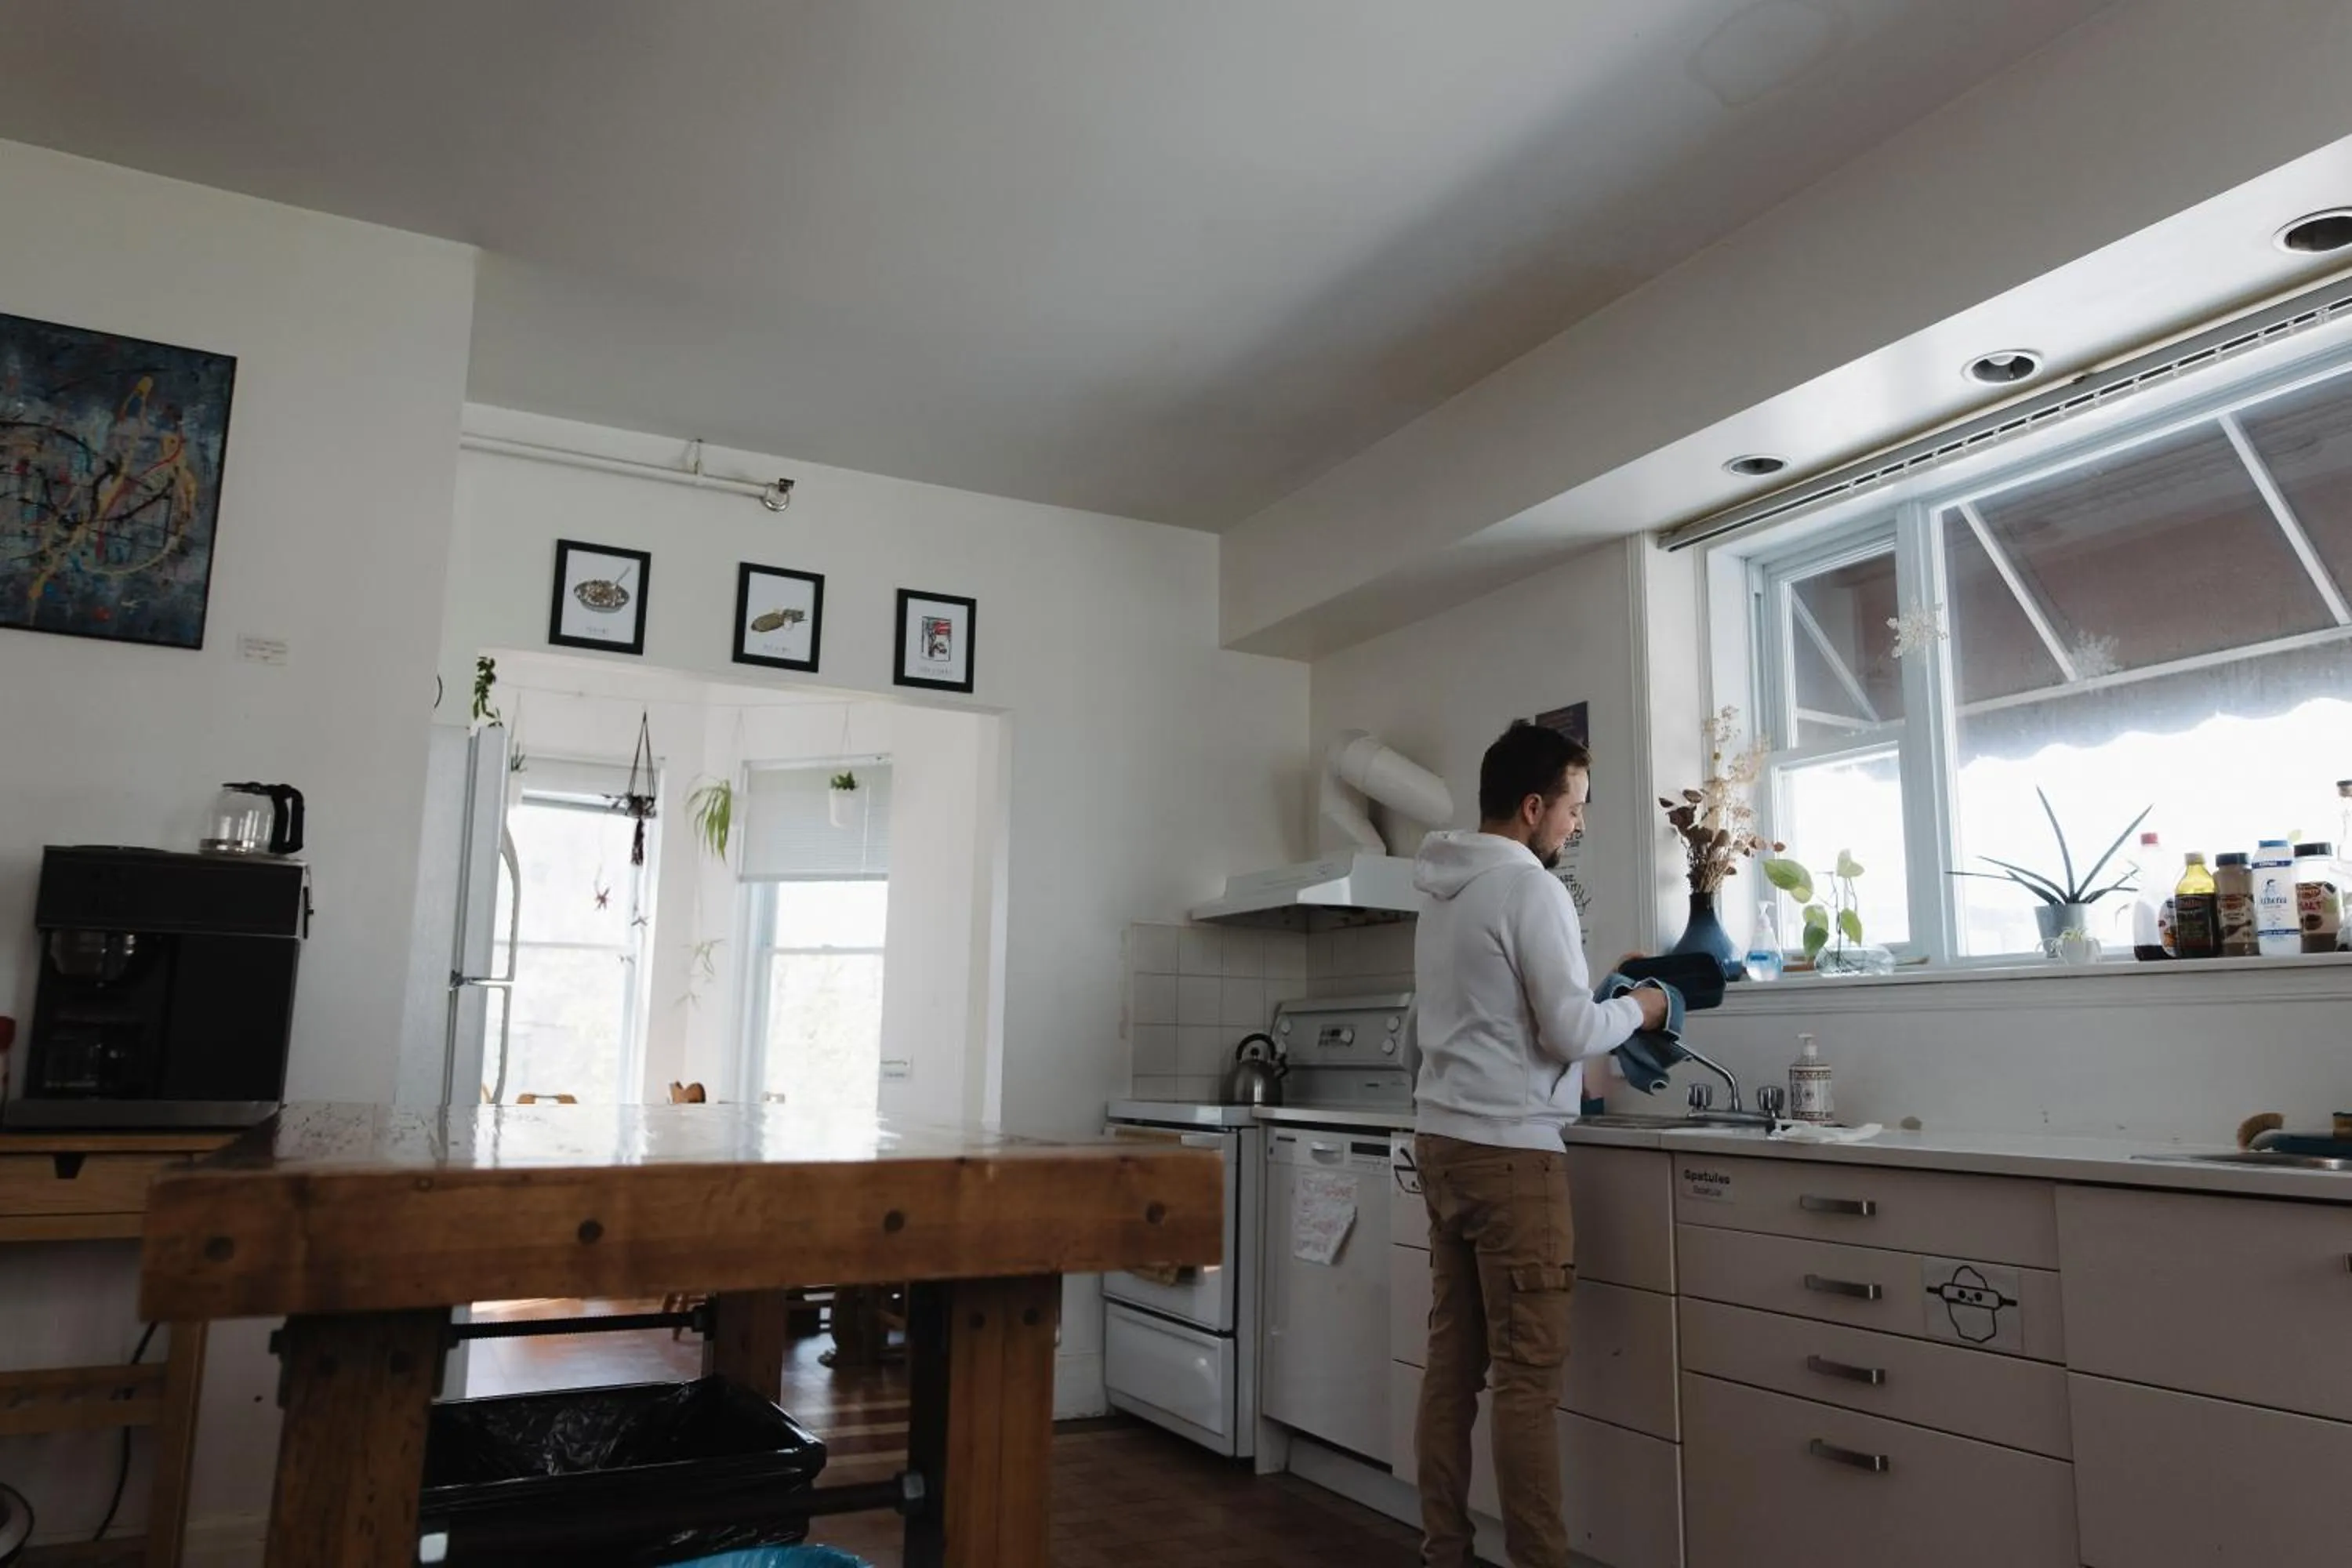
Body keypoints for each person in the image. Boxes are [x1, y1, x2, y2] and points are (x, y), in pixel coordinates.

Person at [1410, 720, 1667, 1568]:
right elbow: (1568, 1033)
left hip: (1444, 1143)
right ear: (1532, 806)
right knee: (1527, 1382)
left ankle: (1444, 1550)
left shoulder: (1443, 888)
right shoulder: (1531, 889)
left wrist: (1601, 996)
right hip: (1512, 1158)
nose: (1578, 824)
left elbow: (1515, 1014)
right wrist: (1644, 1007)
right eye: (1574, 806)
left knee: (1452, 1370)